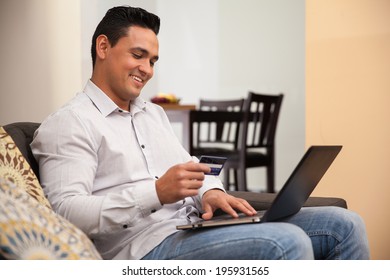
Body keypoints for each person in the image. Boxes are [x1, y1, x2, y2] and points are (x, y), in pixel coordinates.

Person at [31, 5, 370, 260]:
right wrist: (156, 193)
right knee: (287, 240)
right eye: (138, 55)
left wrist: (209, 192)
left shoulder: (152, 114)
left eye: (153, 60)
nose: (147, 70)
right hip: (143, 249)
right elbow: (66, 213)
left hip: (189, 226)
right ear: (103, 47)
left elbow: (192, 168)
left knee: (345, 224)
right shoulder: (69, 123)